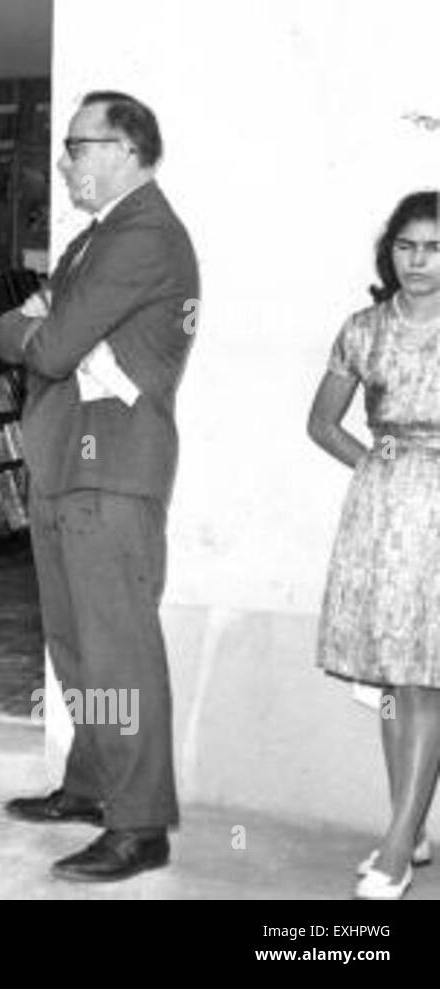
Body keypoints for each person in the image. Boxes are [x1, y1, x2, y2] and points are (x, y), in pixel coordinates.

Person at [0, 92, 198, 881]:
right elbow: (42, 330)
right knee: (76, 645)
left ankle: (140, 825)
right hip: (66, 465)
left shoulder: (142, 235)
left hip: (109, 470)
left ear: (124, 147)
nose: (66, 161)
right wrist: (36, 327)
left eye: (76, 145)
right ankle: (91, 784)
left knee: (117, 652)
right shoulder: (97, 240)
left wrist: (31, 329)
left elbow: (45, 346)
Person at [308, 190, 440, 900]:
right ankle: (411, 827)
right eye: (407, 246)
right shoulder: (362, 328)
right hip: (383, 514)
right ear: (389, 252)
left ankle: (395, 846)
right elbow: (322, 422)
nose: (418, 261)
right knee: (393, 675)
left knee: (426, 675)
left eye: (435, 247)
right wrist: (378, 467)